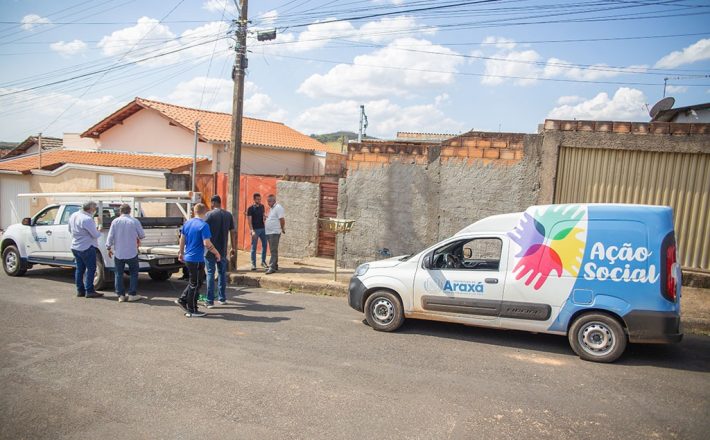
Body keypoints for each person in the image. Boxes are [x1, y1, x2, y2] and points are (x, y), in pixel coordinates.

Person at [175, 203, 220, 318]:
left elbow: (182, 239)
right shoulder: (204, 225)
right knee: (195, 284)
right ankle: (192, 309)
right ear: (205, 212)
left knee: (196, 282)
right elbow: (207, 243)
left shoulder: (187, 223)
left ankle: (183, 300)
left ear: (194, 211)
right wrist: (216, 252)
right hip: (197, 259)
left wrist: (181, 252)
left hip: (189, 257)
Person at [106, 203, 146, 302]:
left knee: (118, 274)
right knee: (133, 273)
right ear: (130, 211)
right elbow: (142, 235)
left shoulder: (115, 221)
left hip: (119, 252)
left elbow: (110, 236)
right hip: (132, 251)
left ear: (120, 211)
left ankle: (120, 295)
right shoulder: (134, 221)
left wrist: (108, 247)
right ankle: (132, 294)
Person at [204, 195, 236, 308]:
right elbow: (232, 231)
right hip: (222, 250)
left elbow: (202, 228)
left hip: (210, 250)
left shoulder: (209, 215)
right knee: (222, 273)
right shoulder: (228, 215)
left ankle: (209, 301)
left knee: (210, 273)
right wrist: (233, 247)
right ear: (220, 203)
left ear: (213, 203)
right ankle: (222, 298)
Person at [68, 201, 103, 298]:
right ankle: (90, 290)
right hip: (86, 246)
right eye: (95, 208)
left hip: (75, 246)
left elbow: (70, 230)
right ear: (90, 208)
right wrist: (99, 228)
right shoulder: (87, 219)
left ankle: (80, 290)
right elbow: (95, 234)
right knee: (91, 269)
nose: (95, 209)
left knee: (79, 269)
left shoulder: (74, 215)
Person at [246, 192, 268, 271]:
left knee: (265, 245)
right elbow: (249, 220)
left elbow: (263, 215)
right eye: (258, 199)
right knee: (253, 247)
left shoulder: (262, 206)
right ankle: (253, 264)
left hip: (263, 229)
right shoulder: (250, 208)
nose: (259, 200)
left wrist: (265, 217)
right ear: (254, 199)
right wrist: (252, 230)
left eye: (260, 199)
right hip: (255, 230)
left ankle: (263, 261)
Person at [264, 194, 285, 275]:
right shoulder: (272, 208)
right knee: (273, 250)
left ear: (274, 200)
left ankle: (272, 267)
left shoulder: (278, 207)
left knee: (273, 250)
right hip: (270, 232)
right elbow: (273, 218)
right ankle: (275, 265)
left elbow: (282, 219)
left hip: (274, 232)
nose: (268, 203)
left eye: (270, 201)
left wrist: (282, 228)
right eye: (268, 201)